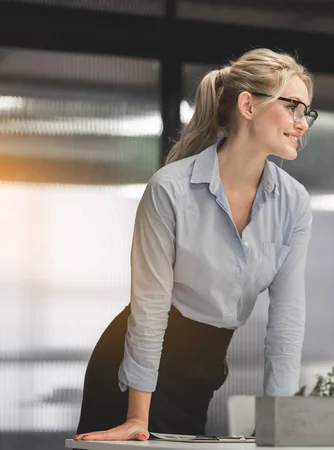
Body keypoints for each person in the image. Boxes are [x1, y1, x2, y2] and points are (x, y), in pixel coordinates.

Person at [73, 48, 318, 441]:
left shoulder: (293, 203)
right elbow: (151, 309)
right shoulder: (170, 189)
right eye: (292, 107)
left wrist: (279, 423)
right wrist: (138, 417)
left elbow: (287, 322)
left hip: (201, 375)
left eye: (306, 112)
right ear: (247, 105)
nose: (301, 123)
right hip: (131, 377)